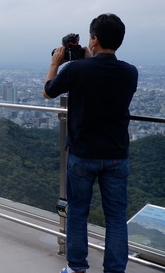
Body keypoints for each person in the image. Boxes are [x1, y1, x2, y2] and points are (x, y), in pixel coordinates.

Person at [43, 14, 138, 273]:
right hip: (117, 155)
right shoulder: (130, 72)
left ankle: (76, 268)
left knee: (77, 213)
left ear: (94, 39)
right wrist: (90, 58)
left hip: (83, 154)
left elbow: (49, 90)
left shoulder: (76, 70)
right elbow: (105, 83)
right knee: (117, 216)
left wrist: (55, 62)